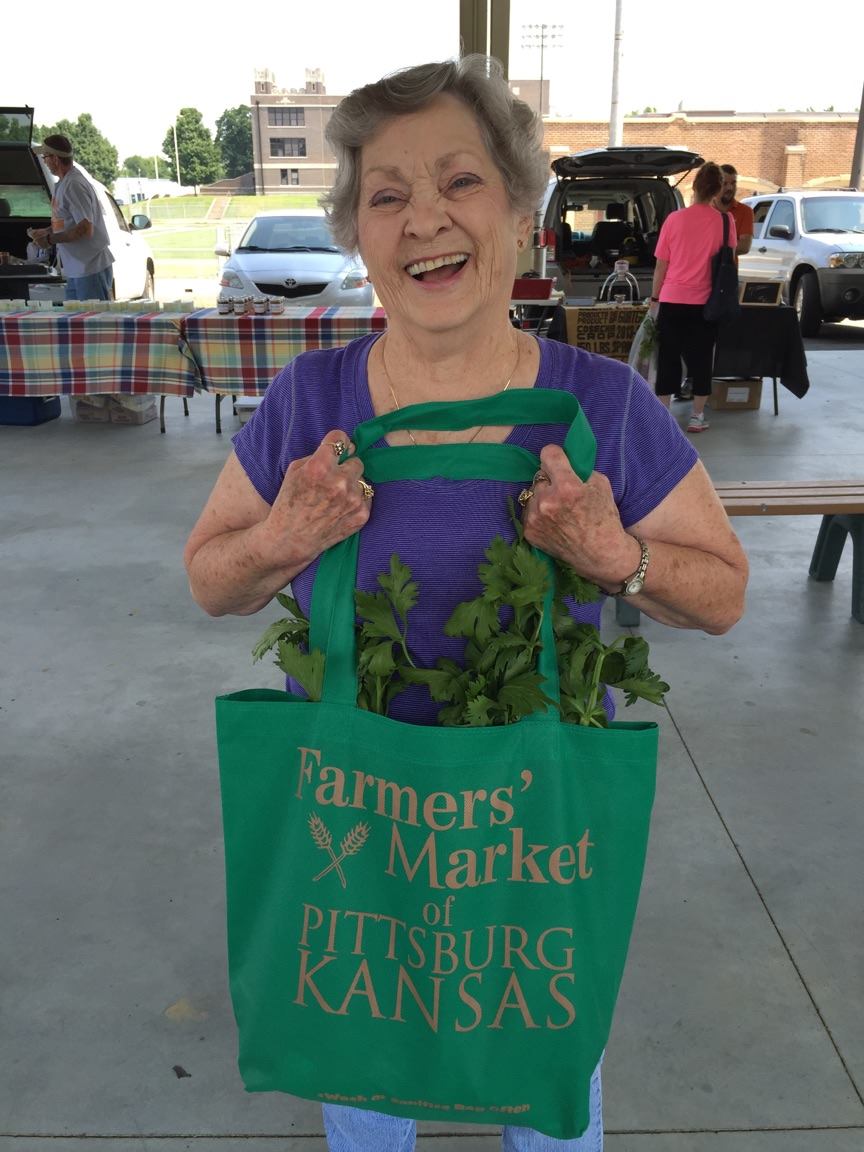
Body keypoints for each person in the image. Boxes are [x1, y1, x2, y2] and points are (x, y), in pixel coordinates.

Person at [184, 56, 748, 1152]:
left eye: (460, 182)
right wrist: (284, 537)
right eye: (386, 196)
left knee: (545, 1091)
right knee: (365, 1086)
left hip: (530, 837)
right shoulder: (311, 401)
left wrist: (612, 552)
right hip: (352, 829)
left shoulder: (601, 405)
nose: (424, 220)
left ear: (522, 208)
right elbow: (210, 578)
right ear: (357, 231)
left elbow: (721, 594)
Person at [649, 161, 738, 433]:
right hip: (706, 303)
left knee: (669, 357)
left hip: (672, 299)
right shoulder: (726, 221)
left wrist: (654, 298)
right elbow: (730, 260)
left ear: (695, 188)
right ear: (716, 190)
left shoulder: (674, 220)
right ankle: (697, 416)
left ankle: (663, 414)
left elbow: (661, 265)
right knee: (701, 358)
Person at [28, 134, 114, 301]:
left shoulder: (74, 185)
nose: (44, 161)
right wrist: (46, 231)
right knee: (77, 324)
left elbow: (85, 228)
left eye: (45, 157)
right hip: (77, 268)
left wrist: (50, 239)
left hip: (89, 267)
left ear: (55, 159)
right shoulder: (65, 183)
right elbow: (69, 221)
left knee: (91, 323)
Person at [715, 165, 754, 256]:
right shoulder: (705, 209)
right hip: (703, 269)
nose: (730, 188)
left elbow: (744, 246)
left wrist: (708, 247)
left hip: (727, 269)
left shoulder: (745, 211)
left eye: (733, 183)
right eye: (725, 183)